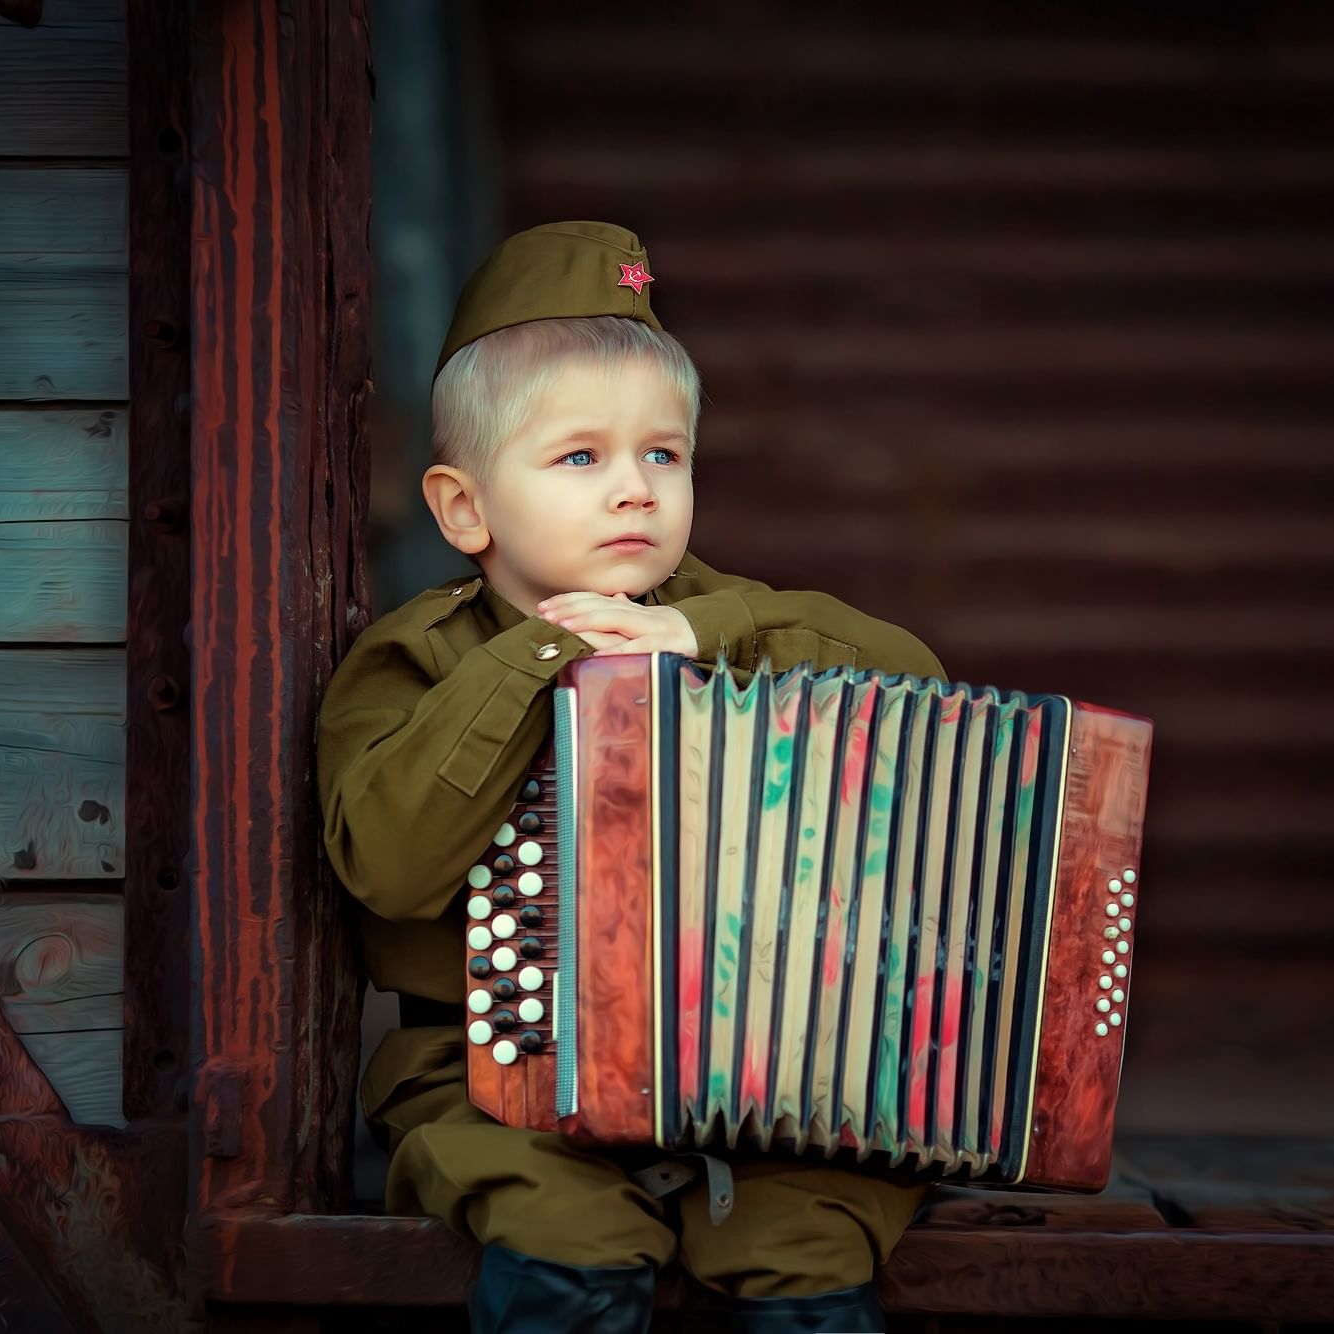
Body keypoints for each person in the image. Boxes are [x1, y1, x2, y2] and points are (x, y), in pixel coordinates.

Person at [315, 221, 945, 1334]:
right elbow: (387, 864)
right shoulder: (414, 659)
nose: (634, 490)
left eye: (662, 454)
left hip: (750, 1084)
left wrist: (692, 636)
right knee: (569, 1238)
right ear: (464, 507)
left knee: (807, 1234)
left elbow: (914, 679)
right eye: (579, 457)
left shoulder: (725, 619)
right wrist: (548, 649)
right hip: (491, 1079)